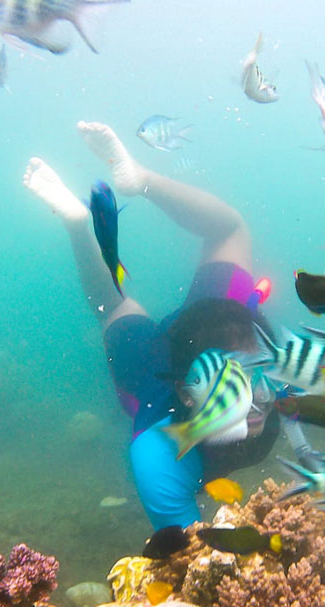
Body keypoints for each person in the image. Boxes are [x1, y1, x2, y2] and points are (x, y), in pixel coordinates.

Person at [23, 121, 285, 531]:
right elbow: (186, 553)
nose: (254, 401)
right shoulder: (160, 455)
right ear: (185, 393)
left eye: (258, 378)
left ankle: (141, 179)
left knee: (230, 228)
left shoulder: (274, 369)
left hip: (215, 327)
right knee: (113, 303)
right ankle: (76, 222)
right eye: (230, 389)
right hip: (150, 364)